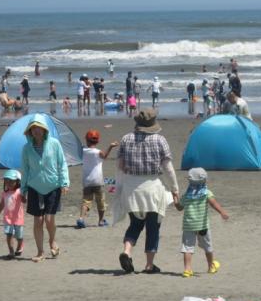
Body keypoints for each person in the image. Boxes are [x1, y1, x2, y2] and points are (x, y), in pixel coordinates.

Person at [114, 109, 180, 273]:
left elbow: (120, 166)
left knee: (135, 224)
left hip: (131, 188)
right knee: (153, 227)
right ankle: (149, 265)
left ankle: (126, 251)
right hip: (152, 188)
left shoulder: (126, 139)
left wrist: (120, 185)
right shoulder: (160, 140)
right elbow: (168, 169)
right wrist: (175, 189)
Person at [20, 114, 70, 262]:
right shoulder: (26, 148)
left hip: (53, 186)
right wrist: (23, 189)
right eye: (33, 128)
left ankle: (52, 241)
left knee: (49, 219)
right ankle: (40, 252)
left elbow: (62, 164)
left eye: (39, 128)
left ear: (44, 130)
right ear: (30, 131)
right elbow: (25, 169)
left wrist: (65, 182)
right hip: (34, 187)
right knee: (38, 220)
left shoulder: (54, 144)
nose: (36, 131)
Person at [174, 168, 228, 278]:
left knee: (187, 248)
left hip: (188, 225)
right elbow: (214, 203)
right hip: (203, 225)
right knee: (208, 246)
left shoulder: (187, 195)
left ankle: (187, 269)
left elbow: (179, 207)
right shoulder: (206, 193)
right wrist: (222, 212)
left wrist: (175, 199)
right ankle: (211, 266)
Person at [76, 130, 118, 228]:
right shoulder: (98, 152)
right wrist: (111, 146)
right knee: (101, 201)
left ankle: (81, 218)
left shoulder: (83, 151)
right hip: (98, 181)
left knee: (86, 201)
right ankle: (101, 221)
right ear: (97, 141)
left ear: (86, 140)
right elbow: (105, 156)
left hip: (87, 181)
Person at [0, 169, 25, 259]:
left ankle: (20, 245)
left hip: (18, 219)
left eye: (11, 181)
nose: (8, 183)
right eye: (6, 181)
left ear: (18, 182)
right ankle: (11, 251)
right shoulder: (5, 193)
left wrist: (24, 195)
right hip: (7, 219)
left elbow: (24, 200)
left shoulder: (19, 192)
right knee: (9, 235)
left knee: (19, 236)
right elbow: (2, 204)